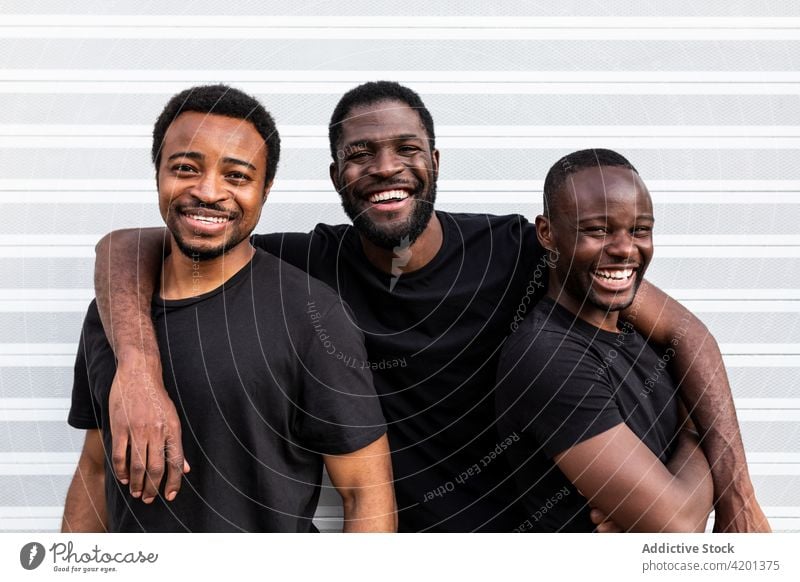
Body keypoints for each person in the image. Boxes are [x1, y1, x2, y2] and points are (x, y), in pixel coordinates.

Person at [92, 81, 768, 532]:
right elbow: (128, 247)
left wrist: (739, 499)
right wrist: (139, 371)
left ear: (436, 162)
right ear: (335, 178)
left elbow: (687, 336)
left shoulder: (519, 251)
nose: (386, 167)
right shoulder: (306, 266)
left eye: (406, 150)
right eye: (361, 155)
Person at [61, 84, 396, 532]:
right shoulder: (114, 312)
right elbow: (96, 469)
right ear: (158, 172)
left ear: (266, 188)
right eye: (185, 168)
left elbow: (366, 498)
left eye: (237, 176)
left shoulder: (312, 316)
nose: (209, 191)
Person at [496, 149, 721, 532]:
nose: (624, 249)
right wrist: (695, 434)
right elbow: (677, 526)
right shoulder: (547, 356)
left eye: (640, 230)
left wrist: (685, 465)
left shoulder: (640, 337)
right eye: (597, 230)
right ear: (547, 234)